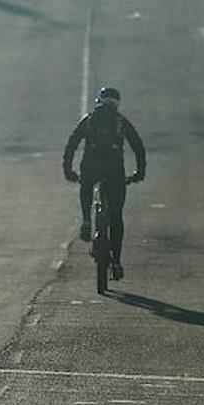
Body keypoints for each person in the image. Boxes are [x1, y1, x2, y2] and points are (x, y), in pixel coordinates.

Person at [62, 86, 146, 280]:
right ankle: (116, 261)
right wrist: (139, 172)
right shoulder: (120, 122)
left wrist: (68, 170)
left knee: (86, 187)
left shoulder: (89, 120)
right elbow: (138, 146)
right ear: (117, 103)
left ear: (99, 101)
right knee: (116, 217)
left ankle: (86, 220)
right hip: (115, 169)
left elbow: (72, 144)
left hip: (91, 166)